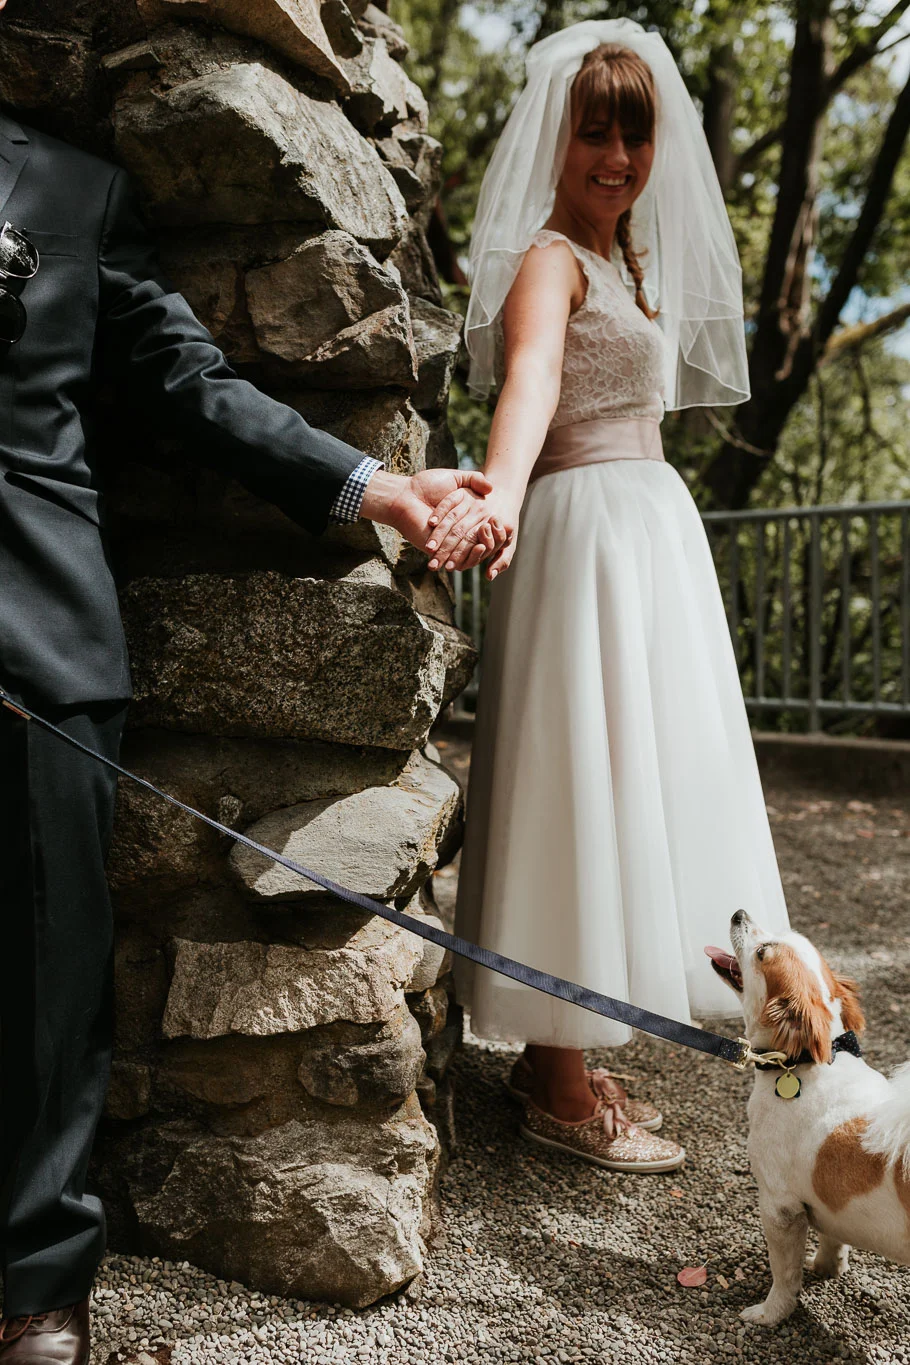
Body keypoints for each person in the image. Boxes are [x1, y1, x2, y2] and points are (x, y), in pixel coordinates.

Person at [0, 14, 506, 1356]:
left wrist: (376, 487)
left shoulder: (70, 186)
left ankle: (34, 1282)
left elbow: (192, 384)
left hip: (31, 639)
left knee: (48, 974)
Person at [428, 19, 792, 1175]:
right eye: (596, 133)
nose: (617, 158)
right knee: (579, 787)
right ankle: (558, 1080)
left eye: (634, 136)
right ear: (560, 138)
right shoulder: (553, 258)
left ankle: (563, 1056)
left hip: (646, 536)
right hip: (583, 534)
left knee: (638, 790)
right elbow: (532, 380)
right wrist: (503, 494)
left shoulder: (629, 254)